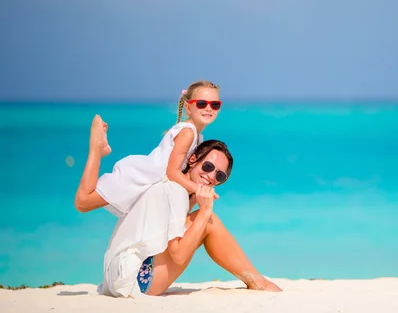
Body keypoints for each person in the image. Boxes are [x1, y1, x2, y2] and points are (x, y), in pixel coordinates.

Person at [78, 116, 282, 296]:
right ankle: (258, 282)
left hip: (120, 276)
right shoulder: (176, 191)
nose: (211, 177)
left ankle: (258, 281)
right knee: (209, 222)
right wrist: (205, 211)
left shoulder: (175, 188)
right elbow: (178, 254)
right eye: (208, 167)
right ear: (193, 159)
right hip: (136, 282)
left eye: (219, 175)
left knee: (203, 221)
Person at [74, 80, 223, 217]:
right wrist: (198, 188)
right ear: (188, 107)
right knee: (83, 202)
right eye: (202, 103)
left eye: (215, 104)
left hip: (153, 182)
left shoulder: (198, 136)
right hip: (142, 178)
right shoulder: (188, 132)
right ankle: (96, 149)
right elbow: (172, 172)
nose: (208, 108)